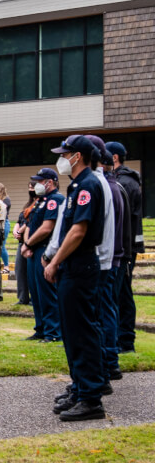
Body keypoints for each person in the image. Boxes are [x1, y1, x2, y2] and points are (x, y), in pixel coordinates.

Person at [45, 135, 106, 421]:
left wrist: (55, 261)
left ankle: (91, 398)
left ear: (77, 156)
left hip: (80, 266)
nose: (62, 159)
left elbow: (79, 231)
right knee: (72, 332)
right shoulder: (78, 185)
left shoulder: (89, 185)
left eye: (65, 153)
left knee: (82, 332)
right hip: (74, 267)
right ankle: (81, 388)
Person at [109, 141, 142, 354]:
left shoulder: (125, 182)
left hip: (125, 248)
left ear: (114, 158)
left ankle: (126, 341)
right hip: (123, 247)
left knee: (122, 294)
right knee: (118, 293)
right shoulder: (121, 180)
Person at [23, 169, 64, 343]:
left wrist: (29, 244)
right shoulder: (41, 201)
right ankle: (41, 328)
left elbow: (47, 228)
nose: (36, 185)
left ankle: (53, 331)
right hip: (34, 249)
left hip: (46, 250)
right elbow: (31, 225)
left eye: (40, 181)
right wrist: (28, 244)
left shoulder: (55, 200)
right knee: (36, 292)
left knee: (47, 293)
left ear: (50, 182)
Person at [98, 145, 125, 382]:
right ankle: (109, 360)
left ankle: (108, 361)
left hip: (108, 259)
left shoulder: (109, 188)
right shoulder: (114, 187)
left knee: (104, 310)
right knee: (107, 309)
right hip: (113, 256)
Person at [13, 183, 37, 306]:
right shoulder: (27, 205)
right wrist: (15, 230)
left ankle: (34, 298)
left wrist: (20, 230)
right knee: (20, 270)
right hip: (21, 242)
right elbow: (19, 220)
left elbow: (30, 222)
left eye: (32, 187)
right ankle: (23, 298)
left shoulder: (39, 204)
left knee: (31, 272)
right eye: (29, 188)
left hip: (32, 242)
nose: (30, 190)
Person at [0, 182, 12, 274]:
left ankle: (6, 266)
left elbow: (1, 210)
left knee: (2, 245)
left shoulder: (6, 200)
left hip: (4, 223)